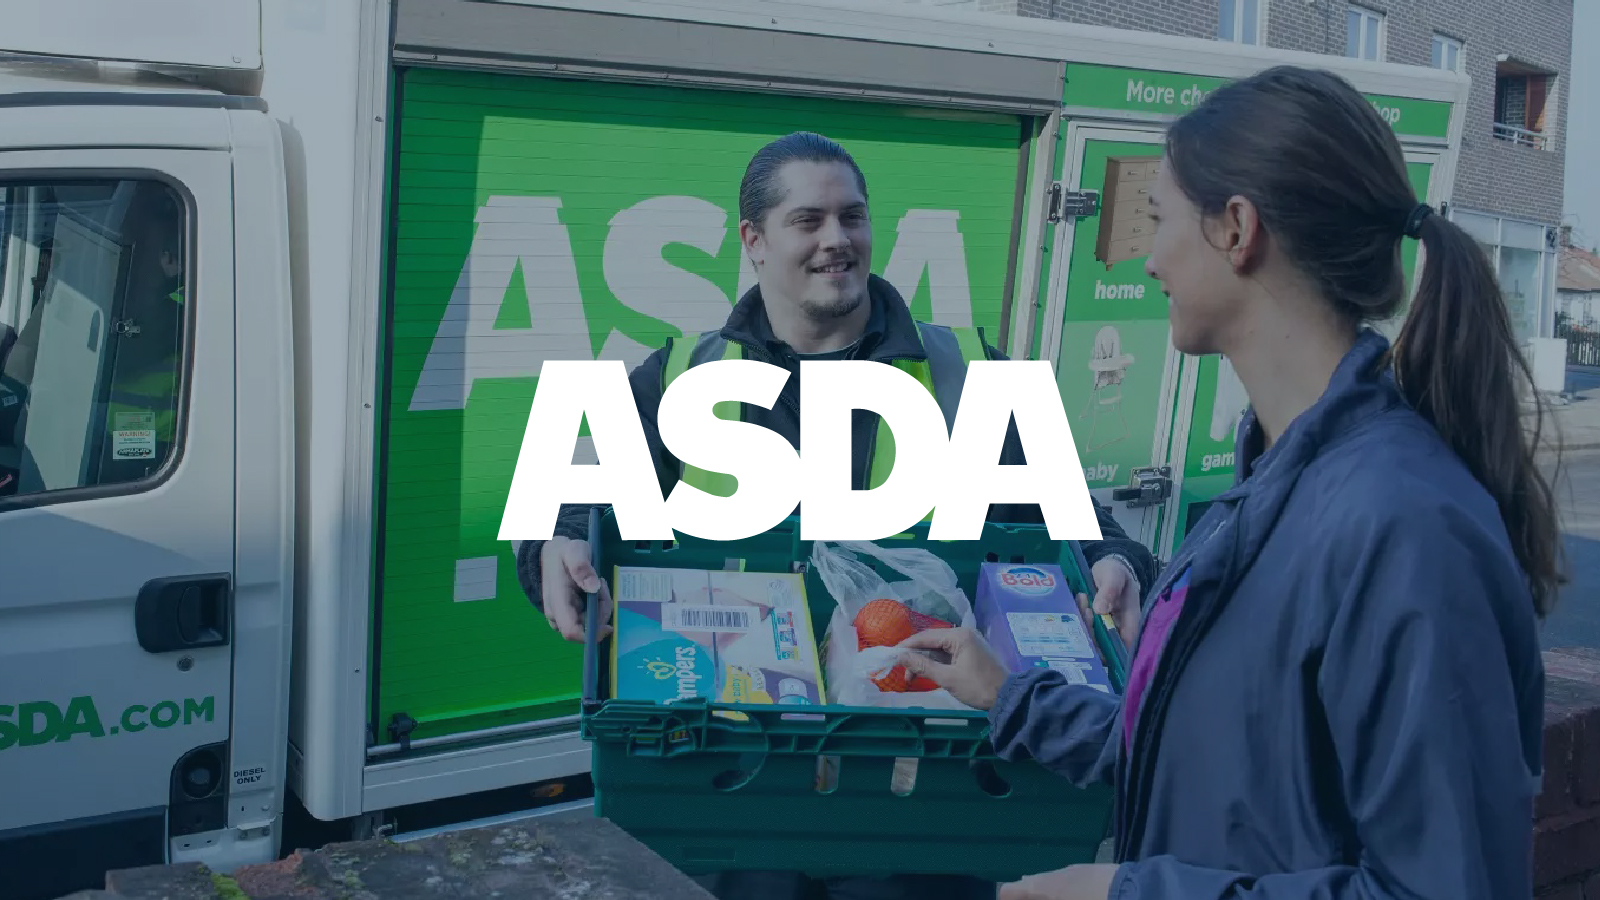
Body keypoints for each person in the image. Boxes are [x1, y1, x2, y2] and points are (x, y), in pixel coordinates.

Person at [896, 66, 1562, 900]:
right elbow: (1220, 776)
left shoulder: (1401, 524)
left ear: (1237, 228)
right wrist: (1011, 697)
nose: (1148, 261)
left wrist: (1123, 895)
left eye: (1158, 220)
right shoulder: (1273, 489)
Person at [514, 131, 1160, 900]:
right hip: (740, 801)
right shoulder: (685, 375)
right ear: (754, 241)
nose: (837, 240)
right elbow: (572, 502)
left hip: (920, 808)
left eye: (852, 217)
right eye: (807, 220)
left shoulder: (972, 372)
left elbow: (1086, 530)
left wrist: (1121, 565)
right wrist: (549, 543)